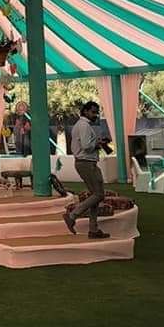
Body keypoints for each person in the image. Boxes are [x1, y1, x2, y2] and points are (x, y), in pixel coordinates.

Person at [64, 102, 110, 240]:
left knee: (95, 196)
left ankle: (93, 229)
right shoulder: (83, 125)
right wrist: (98, 144)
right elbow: (86, 146)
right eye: (93, 112)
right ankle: (72, 216)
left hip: (87, 163)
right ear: (85, 111)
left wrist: (97, 143)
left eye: (96, 112)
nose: (95, 114)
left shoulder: (82, 125)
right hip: (86, 163)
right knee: (98, 194)